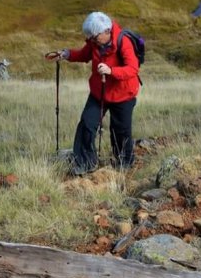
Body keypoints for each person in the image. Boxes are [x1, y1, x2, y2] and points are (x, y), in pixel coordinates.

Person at [45, 11, 140, 174]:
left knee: (120, 130)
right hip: (99, 93)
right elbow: (84, 54)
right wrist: (67, 54)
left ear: (106, 31)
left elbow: (132, 68)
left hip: (123, 94)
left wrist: (111, 71)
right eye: (91, 38)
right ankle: (84, 163)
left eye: (95, 37)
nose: (93, 41)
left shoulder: (123, 42)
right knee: (87, 125)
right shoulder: (95, 42)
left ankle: (124, 163)